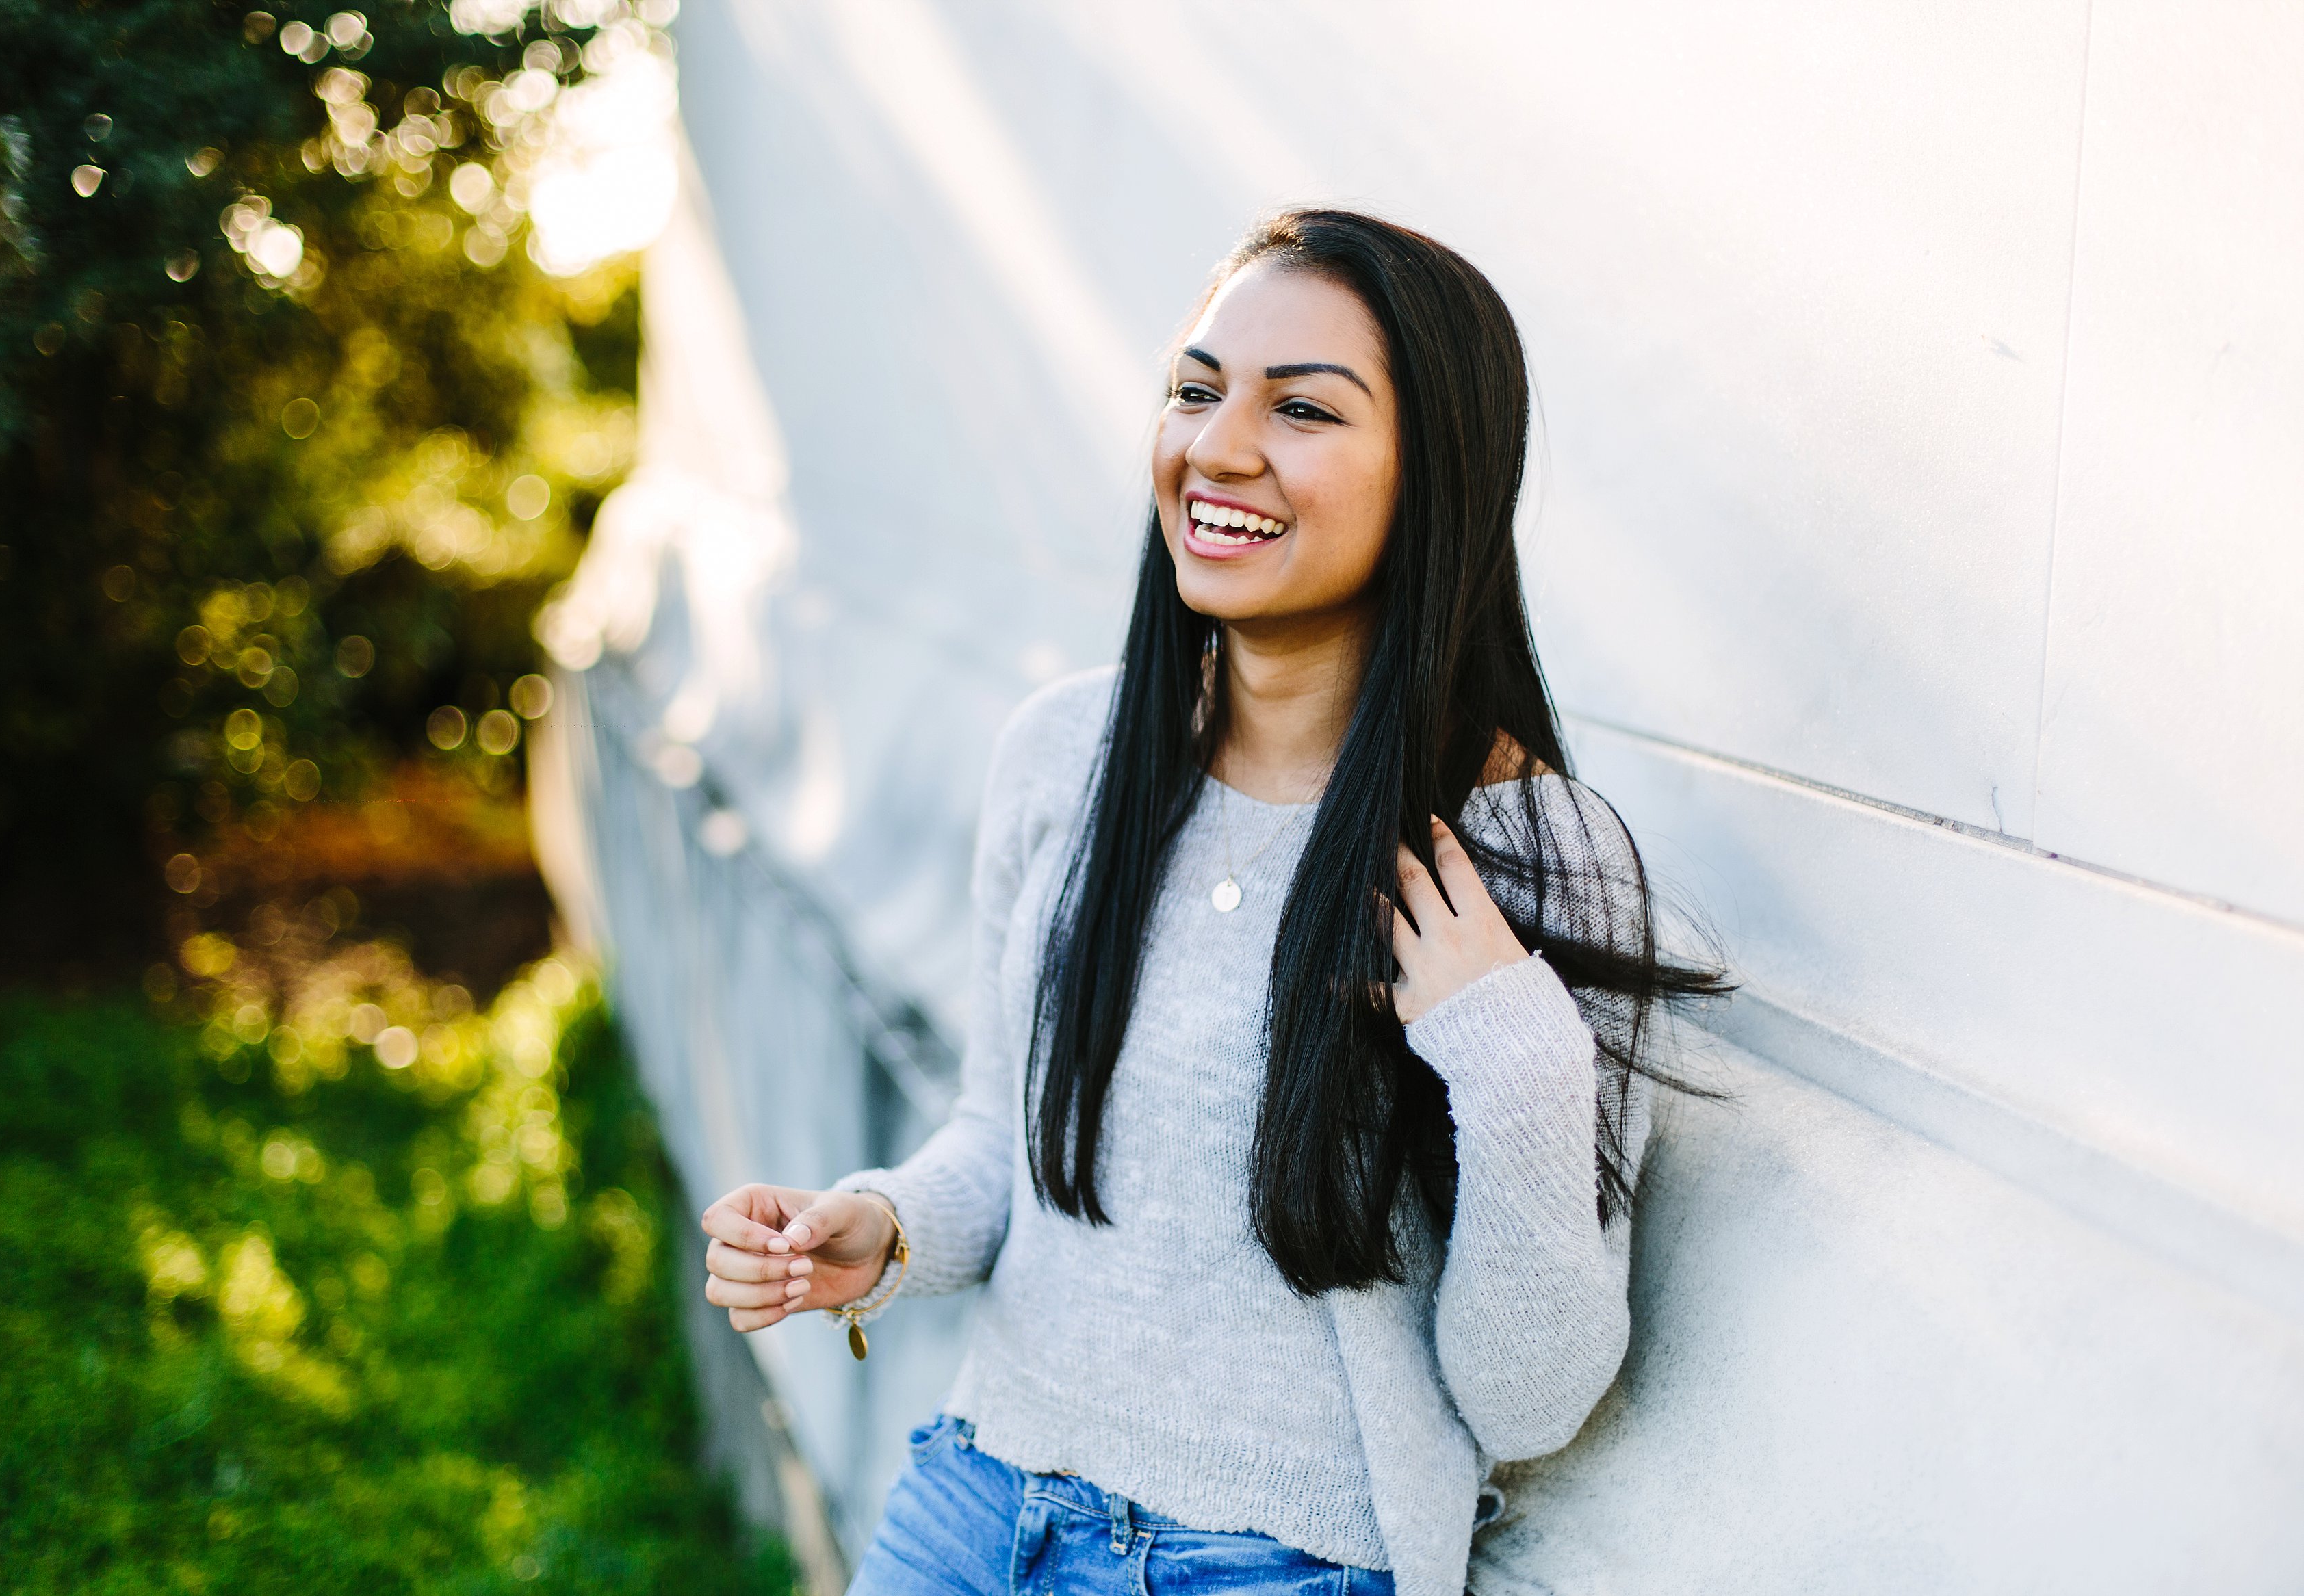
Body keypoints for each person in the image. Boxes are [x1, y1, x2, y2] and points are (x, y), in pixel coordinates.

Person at [700, 209, 1722, 1596]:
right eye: (1196, 389)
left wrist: (1515, 1062)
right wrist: (877, 1230)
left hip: (1266, 1566)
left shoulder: (1528, 856)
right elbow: (1006, 1147)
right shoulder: (1069, 758)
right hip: (971, 1503)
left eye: (1301, 408)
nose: (1218, 446)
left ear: (1437, 478)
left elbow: (1529, 1403)